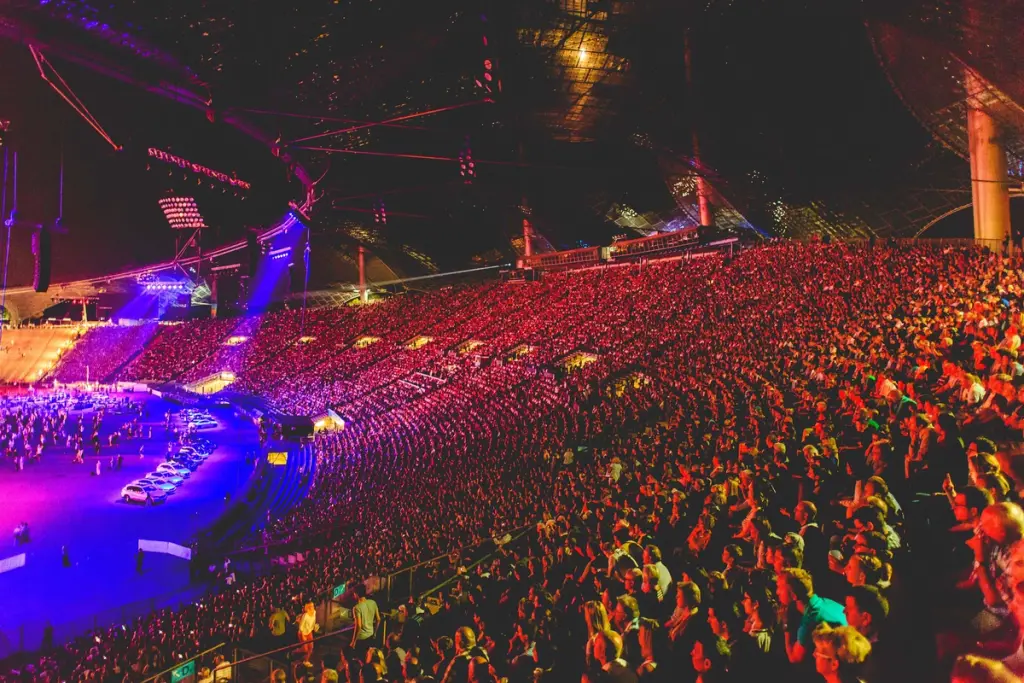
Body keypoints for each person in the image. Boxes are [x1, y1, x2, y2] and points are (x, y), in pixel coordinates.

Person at [777, 568, 846, 664]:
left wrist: (785, 624)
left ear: (794, 595)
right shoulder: (828, 602)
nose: (777, 592)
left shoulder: (810, 621)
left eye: (780, 587)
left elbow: (794, 658)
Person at [351, 583, 380, 660]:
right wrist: (375, 633)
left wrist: (353, 641)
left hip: (361, 639)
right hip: (371, 635)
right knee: (368, 658)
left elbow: (358, 626)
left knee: (359, 659)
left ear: (356, 594)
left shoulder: (356, 608)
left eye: (354, 594)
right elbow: (378, 619)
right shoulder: (373, 603)